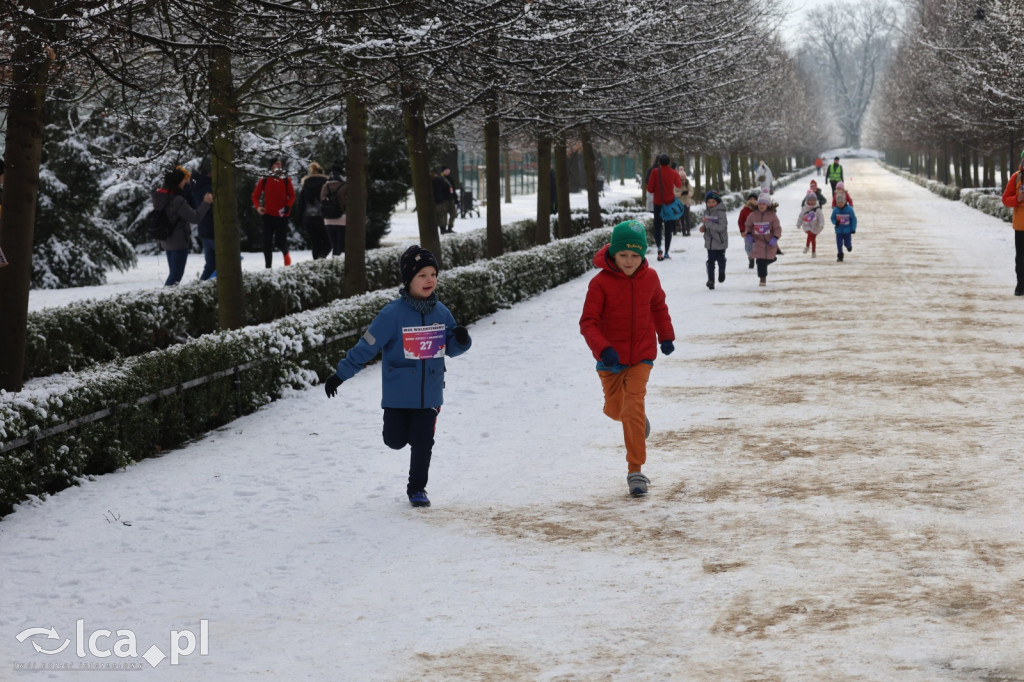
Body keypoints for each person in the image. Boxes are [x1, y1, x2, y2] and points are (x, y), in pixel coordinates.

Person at [323, 245, 472, 507]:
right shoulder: (392, 314)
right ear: (408, 280)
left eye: (433, 274)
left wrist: (461, 339)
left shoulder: (441, 313)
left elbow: (452, 348)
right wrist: (340, 375)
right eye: (422, 275)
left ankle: (417, 489)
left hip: (430, 396)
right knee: (393, 440)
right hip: (398, 395)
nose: (430, 280)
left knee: (423, 442)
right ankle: (403, 442)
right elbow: (366, 346)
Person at [579, 220, 675, 497]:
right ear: (613, 253)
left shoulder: (651, 278)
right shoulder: (600, 284)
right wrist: (604, 349)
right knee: (615, 410)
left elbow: (658, 306)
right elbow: (588, 323)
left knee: (633, 405)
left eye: (635, 255)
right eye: (624, 255)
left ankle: (636, 470)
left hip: (641, 356)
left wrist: (666, 336)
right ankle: (636, 422)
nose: (630, 261)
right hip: (610, 360)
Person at [154, 165, 212, 286]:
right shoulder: (177, 200)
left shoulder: (160, 195)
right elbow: (194, 217)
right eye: (183, 181)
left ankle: (168, 300)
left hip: (167, 239)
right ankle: (165, 301)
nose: (185, 184)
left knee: (173, 274)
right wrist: (206, 203)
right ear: (177, 182)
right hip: (178, 240)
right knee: (175, 277)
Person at [251, 158, 295, 268]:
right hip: (268, 215)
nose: (279, 166)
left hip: (282, 215)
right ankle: (268, 267)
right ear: (271, 166)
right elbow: (255, 196)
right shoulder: (265, 180)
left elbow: (292, 195)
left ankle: (286, 254)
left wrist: (288, 206)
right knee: (267, 243)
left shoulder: (286, 179)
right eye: (276, 164)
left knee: (280, 242)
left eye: (280, 164)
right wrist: (258, 207)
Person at [646, 153, 682, 261]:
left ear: (659, 162)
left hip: (658, 204)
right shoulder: (673, 172)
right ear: (669, 162)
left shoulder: (655, 172)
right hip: (669, 204)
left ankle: (659, 248)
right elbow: (679, 185)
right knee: (668, 229)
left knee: (657, 227)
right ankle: (666, 252)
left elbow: (650, 189)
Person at [744, 193, 782, 287]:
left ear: (768, 205)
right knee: (760, 261)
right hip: (758, 242)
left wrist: (775, 238)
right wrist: (748, 235)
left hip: (769, 242)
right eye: (760, 204)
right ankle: (762, 279)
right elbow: (748, 226)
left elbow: (777, 228)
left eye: (764, 204)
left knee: (767, 259)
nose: (761, 206)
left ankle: (769, 261)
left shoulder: (772, 216)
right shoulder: (752, 215)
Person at [1000, 151, 1024, 296]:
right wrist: (1017, 199)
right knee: (1021, 256)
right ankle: (1021, 284)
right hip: (1021, 225)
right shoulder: (1016, 177)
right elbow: (1005, 199)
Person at [295, 162, 331, 260]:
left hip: (308, 218)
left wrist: (300, 220)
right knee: (329, 241)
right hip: (323, 218)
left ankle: (316, 264)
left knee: (315, 243)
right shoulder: (326, 184)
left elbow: (301, 203)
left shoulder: (306, 185)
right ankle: (322, 258)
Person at [189, 158, 216, 280]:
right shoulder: (208, 187)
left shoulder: (198, 185)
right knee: (224, 262)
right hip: (213, 229)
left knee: (210, 265)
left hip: (204, 229)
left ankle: (202, 287)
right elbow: (213, 209)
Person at [700, 190, 729, 289]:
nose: (711, 204)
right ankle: (711, 280)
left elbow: (722, 227)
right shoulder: (706, 212)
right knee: (710, 262)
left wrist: (708, 224)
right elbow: (707, 226)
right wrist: (703, 227)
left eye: (713, 202)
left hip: (720, 241)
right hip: (710, 243)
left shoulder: (721, 213)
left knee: (721, 260)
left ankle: (721, 272)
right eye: (709, 202)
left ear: (717, 202)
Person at [321, 164, 347, 257]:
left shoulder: (325, 186)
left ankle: (334, 265)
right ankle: (340, 267)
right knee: (341, 247)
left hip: (328, 219)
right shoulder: (344, 186)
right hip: (342, 219)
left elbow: (322, 199)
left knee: (334, 246)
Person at [831, 188, 857, 262]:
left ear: (845, 201)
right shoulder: (835, 210)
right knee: (839, 244)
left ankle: (849, 246)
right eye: (838, 203)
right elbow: (832, 218)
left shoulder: (849, 210)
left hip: (847, 231)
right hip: (838, 231)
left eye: (841, 202)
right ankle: (840, 256)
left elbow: (854, 220)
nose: (840, 204)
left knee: (846, 243)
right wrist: (835, 222)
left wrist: (853, 229)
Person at [431, 166, 458, 234]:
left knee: (453, 214)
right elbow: (437, 191)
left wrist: (455, 199)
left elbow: (453, 190)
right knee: (443, 215)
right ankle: (443, 229)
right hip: (443, 201)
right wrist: (439, 200)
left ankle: (450, 228)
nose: (448, 172)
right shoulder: (439, 179)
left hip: (450, 200)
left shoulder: (451, 179)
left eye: (449, 170)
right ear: (443, 171)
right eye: (446, 170)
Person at [798, 190, 825, 258]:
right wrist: (799, 223)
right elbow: (801, 216)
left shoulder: (818, 209)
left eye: (814, 200)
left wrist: (821, 224)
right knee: (809, 234)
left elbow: (821, 217)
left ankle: (813, 252)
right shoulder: (804, 208)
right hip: (807, 225)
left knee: (813, 238)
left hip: (815, 226)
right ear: (807, 201)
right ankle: (807, 246)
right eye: (810, 200)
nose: (812, 202)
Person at [737, 191, 759, 270]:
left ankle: (758, 260)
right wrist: (742, 231)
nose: (752, 200)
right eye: (750, 199)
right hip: (747, 233)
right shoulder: (744, 211)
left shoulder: (759, 210)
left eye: (754, 199)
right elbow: (740, 221)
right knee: (748, 247)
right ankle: (751, 258)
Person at [677, 166, 694, 236]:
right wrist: (680, 194)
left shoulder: (687, 183)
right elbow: (673, 193)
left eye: (684, 179)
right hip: (680, 203)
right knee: (681, 217)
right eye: (681, 179)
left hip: (687, 202)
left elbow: (692, 191)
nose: (683, 181)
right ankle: (683, 231)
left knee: (687, 217)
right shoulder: (676, 184)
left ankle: (688, 231)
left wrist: (688, 193)